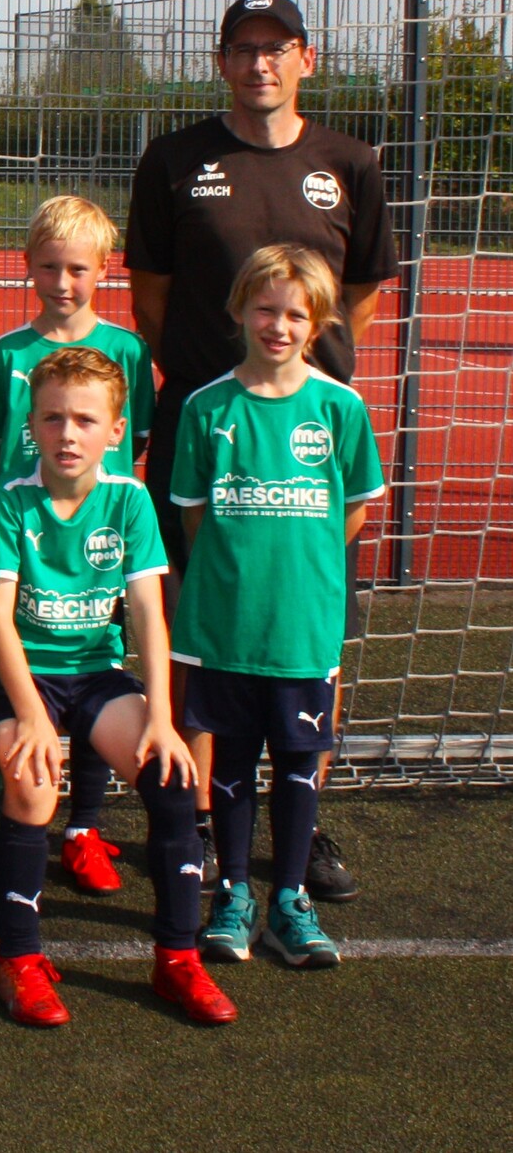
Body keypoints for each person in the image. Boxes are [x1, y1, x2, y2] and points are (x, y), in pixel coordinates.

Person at [125, 0, 397, 899]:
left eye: (276, 48)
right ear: (221, 62)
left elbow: (355, 297)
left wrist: (306, 368)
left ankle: (300, 827)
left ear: (305, 59)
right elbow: (151, 298)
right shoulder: (174, 159)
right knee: (195, 622)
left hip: (305, 440)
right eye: (242, 48)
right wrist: (213, 383)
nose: (259, 64)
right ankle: (199, 814)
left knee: (310, 626)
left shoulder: (349, 163)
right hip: (204, 426)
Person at [0, 347, 236, 1026]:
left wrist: (160, 716)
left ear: (116, 432)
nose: (68, 434)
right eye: (53, 418)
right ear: (29, 424)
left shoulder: (127, 501)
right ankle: (19, 959)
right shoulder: (7, 502)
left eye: (86, 420)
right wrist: (30, 714)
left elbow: (148, 609)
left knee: (172, 775)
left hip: (93, 672)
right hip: (18, 676)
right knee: (32, 779)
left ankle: (177, 959)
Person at [177, 247, 384, 971]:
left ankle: (288, 900)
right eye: (264, 308)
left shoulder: (339, 407)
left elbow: (351, 509)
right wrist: (245, 570)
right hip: (226, 626)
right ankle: (232, 893)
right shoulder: (207, 408)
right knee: (229, 762)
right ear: (237, 310)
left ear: (318, 322)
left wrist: (303, 566)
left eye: (295, 313)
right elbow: (197, 517)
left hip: (303, 625)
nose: (277, 324)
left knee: (299, 761)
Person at [0, 195, 155, 894]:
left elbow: (129, 443)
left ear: (102, 271)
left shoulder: (128, 351)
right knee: (32, 674)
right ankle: (16, 824)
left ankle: (84, 827)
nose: (60, 282)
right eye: (46, 267)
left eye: (75, 269)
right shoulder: (8, 354)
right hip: (29, 535)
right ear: (26, 266)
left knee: (95, 662)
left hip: (99, 542)